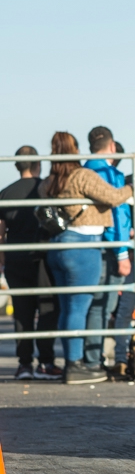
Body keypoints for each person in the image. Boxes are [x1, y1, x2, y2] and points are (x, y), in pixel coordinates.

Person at [39, 131, 134, 384]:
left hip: (58, 246)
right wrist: (132, 187)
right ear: (76, 150)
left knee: (67, 308)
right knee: (79, 308)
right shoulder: (81, 176)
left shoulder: (50, 181)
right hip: (83, 246)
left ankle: (71, 362)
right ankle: (75, 365)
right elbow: (113, 197)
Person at [0, 146, 61, 380]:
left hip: (15, 258)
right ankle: (46, 363)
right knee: (47, 309)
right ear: (38, 164)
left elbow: (0, 233)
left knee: (22, 312)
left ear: (17, 166)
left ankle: (24, 364)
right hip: (44, 257)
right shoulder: (46, 189)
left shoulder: (5, 193)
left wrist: (3, 258)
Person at [82, 126, 134, 374]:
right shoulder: (109, 174)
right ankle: (94, 360)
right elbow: (118, 216)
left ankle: (91, 357)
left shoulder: (85, 170)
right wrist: (122, 253)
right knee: (103, 305)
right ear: (112, 146)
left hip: (90, 245)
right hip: (110, 249)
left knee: (92, 304)